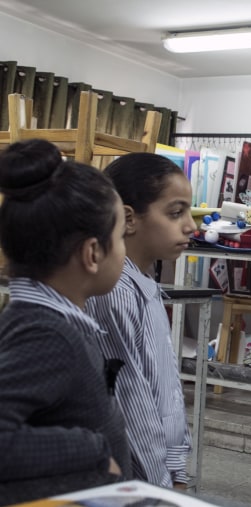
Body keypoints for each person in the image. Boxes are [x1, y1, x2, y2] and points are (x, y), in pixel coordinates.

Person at [0, 139, 130, 503]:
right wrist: (91, 450)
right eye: (120, 237)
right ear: (92, 253)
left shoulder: (44, 320)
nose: (123, 250)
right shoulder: (46, 332)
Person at [87, 152, 196, 488]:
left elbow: (165, 389)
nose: (191, 225)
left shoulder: (143, 282)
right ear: (129, 219)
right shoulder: (115, 292)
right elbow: (134, 408)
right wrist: (160, 485)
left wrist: (176, 464)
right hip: (139, 478)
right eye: (176, 213)